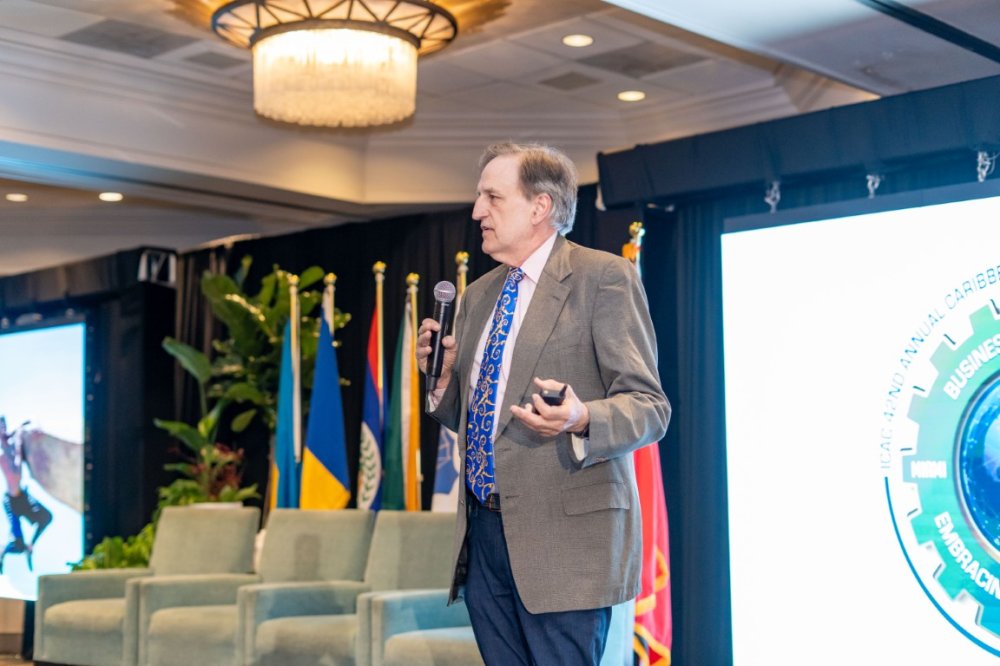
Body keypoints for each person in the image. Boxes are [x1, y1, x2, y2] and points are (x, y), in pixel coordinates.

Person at [416, 142, 670, 665]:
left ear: (540, 206)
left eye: (492, 197)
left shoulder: (603, 277)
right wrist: (440, 382)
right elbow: (477, 417)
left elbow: (649, 406)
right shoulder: (478, 295)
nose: (477, 211)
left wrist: (581, 417)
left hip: (566, 541)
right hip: (484, 535)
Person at [0, 416, 52, 573]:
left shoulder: (12, 442)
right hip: (11, 502)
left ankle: (31, 546)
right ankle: (3, 551)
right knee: (18, 545)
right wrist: (16, 440)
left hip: (22, 497)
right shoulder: (5, 450)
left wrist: (25, 430)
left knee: (46, 518)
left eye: (3, 426)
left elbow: (25, 429)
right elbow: (15, 470)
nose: (3, 430)